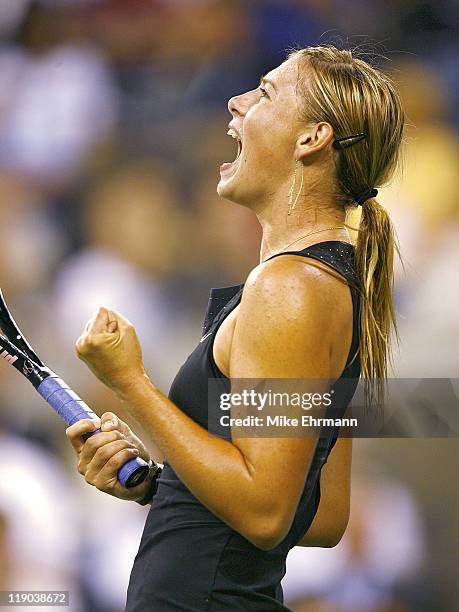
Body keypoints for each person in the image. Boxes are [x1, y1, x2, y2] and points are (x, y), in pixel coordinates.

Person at [66, 46, 404, 611]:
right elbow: (320, 515)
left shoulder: (289, 288)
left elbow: (266, 514)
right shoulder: (326, 281)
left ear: (310, 138)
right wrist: (160, 484)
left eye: (265, 92)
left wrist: (132, 385)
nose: (236, 102)